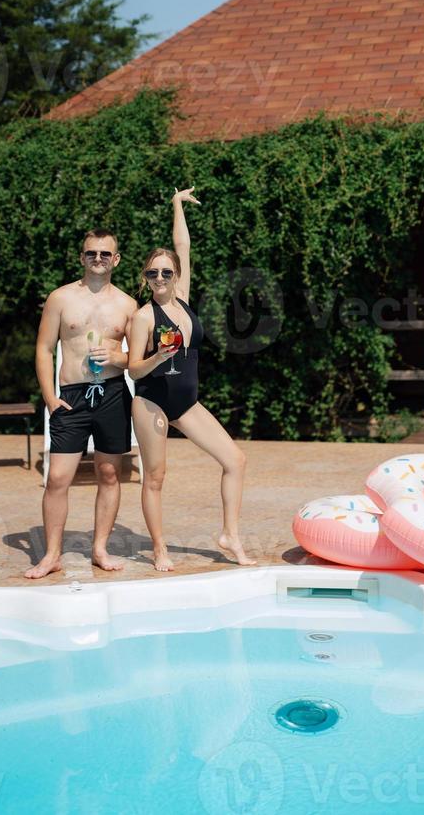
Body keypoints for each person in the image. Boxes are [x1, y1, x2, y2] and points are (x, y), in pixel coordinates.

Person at [128, 188, 256, 572]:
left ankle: (230, 534)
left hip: (186, 402)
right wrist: (157, 357)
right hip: (150, 401)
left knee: (235, 459)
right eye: (153, 273)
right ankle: (159, 548)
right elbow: (134, 369)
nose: (161, 277)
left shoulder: (182, 298)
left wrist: (176, 205)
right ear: (146, 278)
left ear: (176, 276)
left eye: (166, 271)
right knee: (155, 477)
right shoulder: (143, 317)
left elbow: (182, 245)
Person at [25, 229, 137, 579]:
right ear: (81, 258)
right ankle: (52, 555)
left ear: (116, 259)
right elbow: (44, 349)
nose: (98, 259)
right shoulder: (60, 299)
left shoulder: (128, 305)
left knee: (108, 473)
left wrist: (118, 355)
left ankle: (99, 548)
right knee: (58, 478)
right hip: (70, 398)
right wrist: (49, 397)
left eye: (105, 254)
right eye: (92, 253)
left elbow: (139, 357)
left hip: (113, 394)